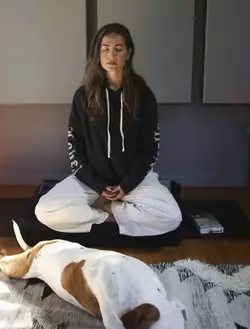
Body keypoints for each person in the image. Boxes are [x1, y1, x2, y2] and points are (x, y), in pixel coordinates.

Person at [34, 23, 182, 237]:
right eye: (105, 48)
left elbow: (150, 149)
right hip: (92, 181)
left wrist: (127, 184)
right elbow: (76, 146)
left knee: (171, 217)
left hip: (133, 181)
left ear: (128, 53)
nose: (111, 55)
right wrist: (97, 185)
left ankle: (110, 208)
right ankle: (106, 216)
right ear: (98, 53)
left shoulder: (143, 95)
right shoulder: (83, 96)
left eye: (118, 49)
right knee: (44, 210)